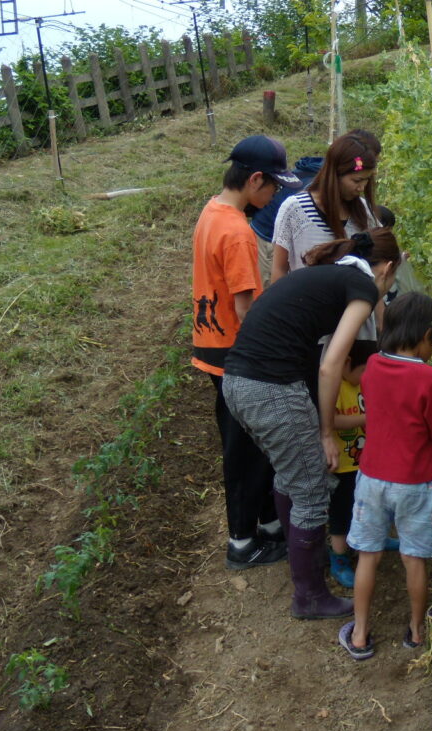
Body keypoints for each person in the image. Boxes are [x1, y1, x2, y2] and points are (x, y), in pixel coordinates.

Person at [221, 229, 401, 620]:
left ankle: (305, 564)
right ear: (387, 268)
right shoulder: (361, 287)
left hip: (237, 383)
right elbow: (331, 365)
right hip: (270, 389)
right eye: (392, 280)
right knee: (311, 487)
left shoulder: (328, 276)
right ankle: (310, 595)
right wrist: (326, 431)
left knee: (292, 475)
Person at [338, 293, 432, 661]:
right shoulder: (429, 378)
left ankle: (360, 635)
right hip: (414, 482)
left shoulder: (372, 365)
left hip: (371, 477)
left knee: (368, 556)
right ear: (427, 336)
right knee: (414, 558)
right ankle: (416, 632)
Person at [191, 134, 302, 569]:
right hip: (236, 354)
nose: (274, 195)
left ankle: (268, 524)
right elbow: (245, 308)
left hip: (212, 345)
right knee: (245, 450)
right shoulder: (237, 232)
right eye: (273, 186)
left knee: (252, 444)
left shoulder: (212, 211)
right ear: (255, 179)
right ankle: (241, 542)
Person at [269, 131, 382, 283]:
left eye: (366, 180)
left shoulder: (365, 212)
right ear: (335, 175)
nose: (361, 187)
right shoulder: (295, 209)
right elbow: (279, 269)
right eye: (356, 180)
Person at [327, 339, 379, 589]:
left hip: (366, 464)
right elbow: (332, 420)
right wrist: (366, 418)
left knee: (369, 506)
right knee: (340, 513)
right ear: (347, 364)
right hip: (343, 465)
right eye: (364, 371)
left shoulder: (366, 384)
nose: (368, 377)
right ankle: (339, 557)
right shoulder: (334, 386)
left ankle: (369, 541)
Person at [250, 155, 323, 286]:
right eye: (356, 180)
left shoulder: (312, 171)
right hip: (267, 234)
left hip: (270, 227)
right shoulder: (314, 187)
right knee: (266, 286)